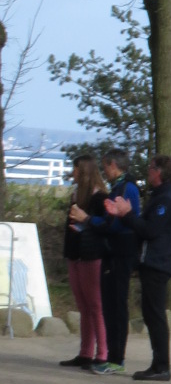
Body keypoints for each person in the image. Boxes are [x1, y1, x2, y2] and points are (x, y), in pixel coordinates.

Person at [132, 154, 171, 383]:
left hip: (158, 262)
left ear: (159, 172)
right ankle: (157, 363)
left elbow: (150, 230)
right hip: (152, 261)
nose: (148, 171)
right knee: (150, 314)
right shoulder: (159, 196)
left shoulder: (166, 199)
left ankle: (162, 366)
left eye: (151, 168)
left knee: (155, 314)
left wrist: (127, 215)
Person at [92, 148, 141, 373]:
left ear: (113, 165)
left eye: (105, 166)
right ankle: (112, 355)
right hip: (114, 251)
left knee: (117, 304)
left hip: (121, 251)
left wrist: (90, 221)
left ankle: (117, 358)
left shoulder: (126, 188)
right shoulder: (119, 187)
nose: (104, 171)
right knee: (110, 304)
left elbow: (116, 223)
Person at [61, 153, 109, 372]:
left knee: (95, 305)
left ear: (83, 171)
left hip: (91, 255)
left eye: (76, 169)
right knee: (82, 305)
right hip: (75, 254)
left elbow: (105, 226)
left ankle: (102, 353)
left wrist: (85, 222)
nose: (73, 173)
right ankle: (85, 352)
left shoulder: (99, 197)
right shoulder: (76, 194)